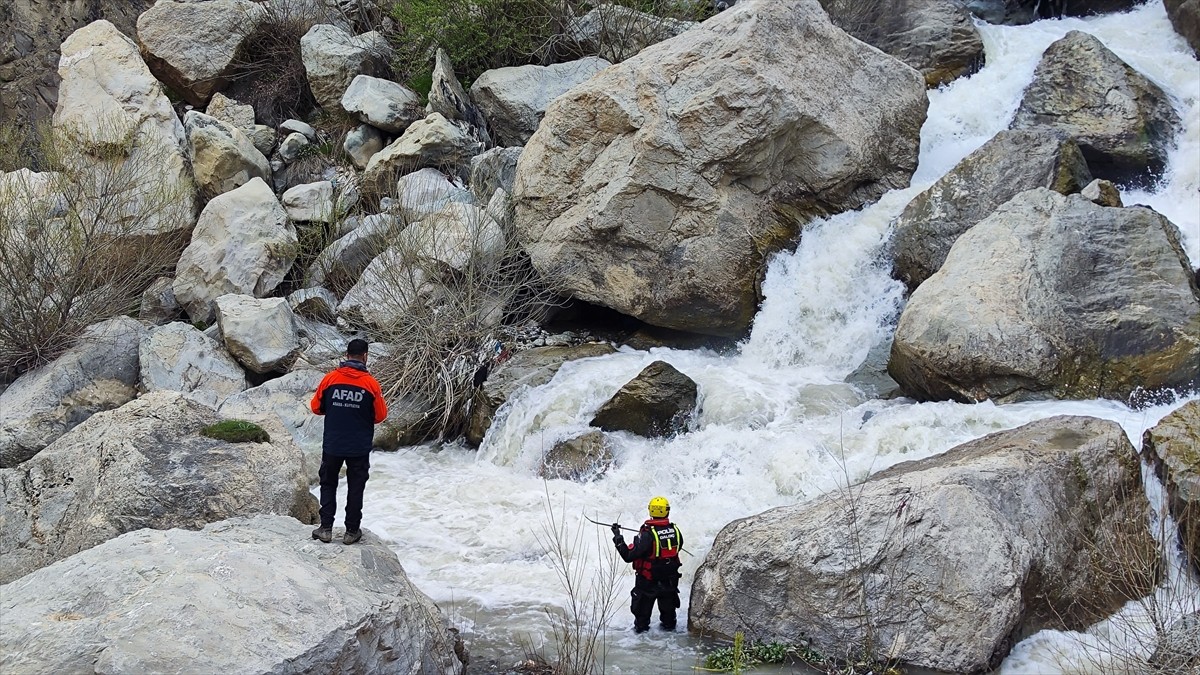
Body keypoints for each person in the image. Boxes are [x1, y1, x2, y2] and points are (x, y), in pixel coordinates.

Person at [309, 339, 388, 545]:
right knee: (355, 486)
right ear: (365, 356)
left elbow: (316, 407)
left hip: (333, 443)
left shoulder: (330, 379)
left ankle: (325, 528)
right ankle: (351, 531)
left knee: (328, 483)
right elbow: (380, 415)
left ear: (346, 355)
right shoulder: (371, 384)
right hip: (359, 446)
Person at [612, 496, 684, 633]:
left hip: (648, 582)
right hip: (669, 580)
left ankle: (641, 647)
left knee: (642, 623)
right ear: (667, 511)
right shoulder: (675, 530)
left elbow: (628, 556)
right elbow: (677, 548)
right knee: (669, 622)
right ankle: (670, 644)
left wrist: (617, 537)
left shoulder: (646, 534)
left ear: (651, 511)